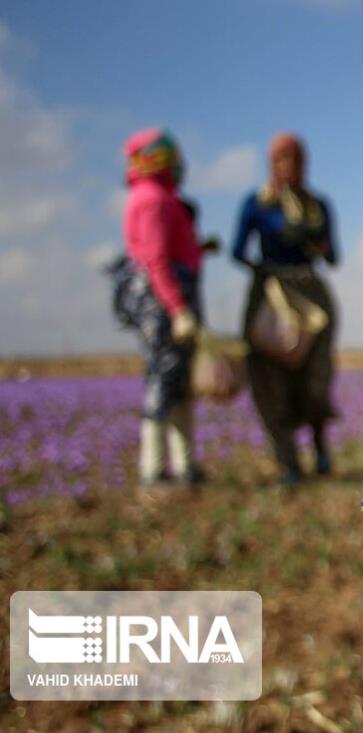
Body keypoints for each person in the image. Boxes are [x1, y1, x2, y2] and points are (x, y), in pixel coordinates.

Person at [232, 133, 339, 485]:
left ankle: (321, 448)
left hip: (311, 297)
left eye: (295, 158)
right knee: (269, 378)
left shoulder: (318, 205)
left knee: (315, 378)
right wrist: (264, 270)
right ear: (271, 164)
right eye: (280, 159)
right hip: (272, 297)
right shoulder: (258, 204)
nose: (289, 166)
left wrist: (315, 241)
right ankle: (288, 461)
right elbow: (237, 251)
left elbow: (333, 256)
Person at [119, 128, 207, 488]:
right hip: (164, 303)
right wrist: (177, 309)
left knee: (179, 384)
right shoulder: (153, 199)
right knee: (162, 383)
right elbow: (156, 260)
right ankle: (154, 470)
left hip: (170, 299)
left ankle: (184, 467)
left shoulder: (161, 197)